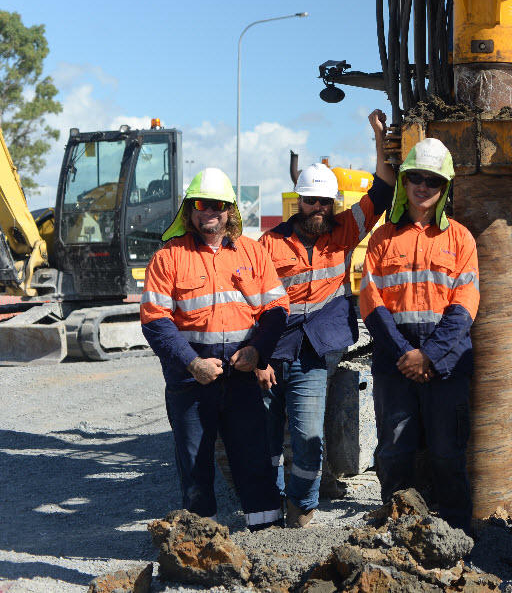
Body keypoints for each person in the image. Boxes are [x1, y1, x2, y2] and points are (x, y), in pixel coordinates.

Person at [256, 110, 396, 527]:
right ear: (298, 200)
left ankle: (303, 507)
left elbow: (384, 189)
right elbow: (252, 303)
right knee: (265, 440)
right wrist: (258, 358)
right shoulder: (269, 244)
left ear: (333, 204)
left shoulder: (345, 229)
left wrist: (379, 138)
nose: (317, 208)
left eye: (324, 202)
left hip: (314, 353)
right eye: (310, 200)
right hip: (273, 349)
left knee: (307, 436)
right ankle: (268, 505)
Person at [140, 167, 289, 530]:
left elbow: (277, 309)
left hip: (240, 375)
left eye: (219, 205)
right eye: (203, 204)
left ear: (231, 210)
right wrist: (192, 364)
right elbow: (155, 321)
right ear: (190, 210)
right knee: (194, 463)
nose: (211, 212)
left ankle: (267, 534)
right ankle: (200, 543)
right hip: (191, 381)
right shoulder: (168, 257)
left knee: (253, 458)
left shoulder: (252, 253)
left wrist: (257, 353)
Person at [359, 137, 478, 529]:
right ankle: (398, 527)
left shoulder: (460, 238)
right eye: (416, 178)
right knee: (395, 451)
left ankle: (456, 531)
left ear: (445, 188)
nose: (423, 186)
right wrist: (405, 355)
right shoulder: (381, 238)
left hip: (446, 364)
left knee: (447, 452)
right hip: (396, 363)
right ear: (405, 182)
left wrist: (428, 356)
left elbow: (464, 306)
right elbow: (371, 304)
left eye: (433, 180)